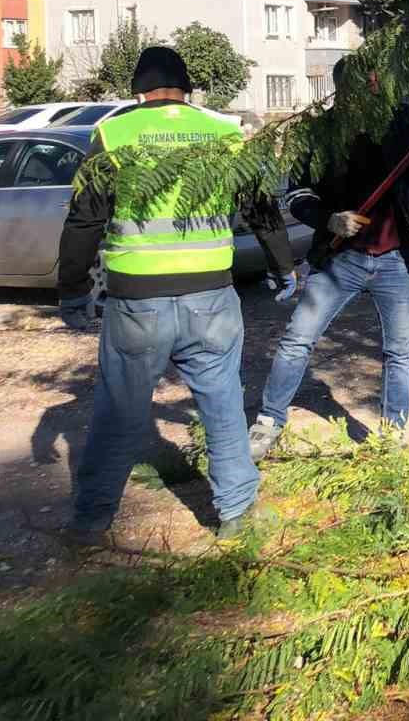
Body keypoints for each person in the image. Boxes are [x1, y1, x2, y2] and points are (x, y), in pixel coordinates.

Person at [58, 46, 297, 542]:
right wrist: (284, 267)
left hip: (135, 303)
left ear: (137, 89)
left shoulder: (114, 133)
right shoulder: (226, 133)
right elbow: (261, 208)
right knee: (223, 405)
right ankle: (235, 514)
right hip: (211, 296)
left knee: (120, 413)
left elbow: (85, 218)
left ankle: (89, 521)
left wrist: (73, 291)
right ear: (189, 88)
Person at [248, 58, 409, 459]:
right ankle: (268, 422)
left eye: (378, 82)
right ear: (343, 90)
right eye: (366, 84)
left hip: (397, 259)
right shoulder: (318, 134)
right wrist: (329, 219)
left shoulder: (401, 121)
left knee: (400, 352)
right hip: (340, 259)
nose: (375, 89)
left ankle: (391, 434)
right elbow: (297, 195)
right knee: (297, 339)